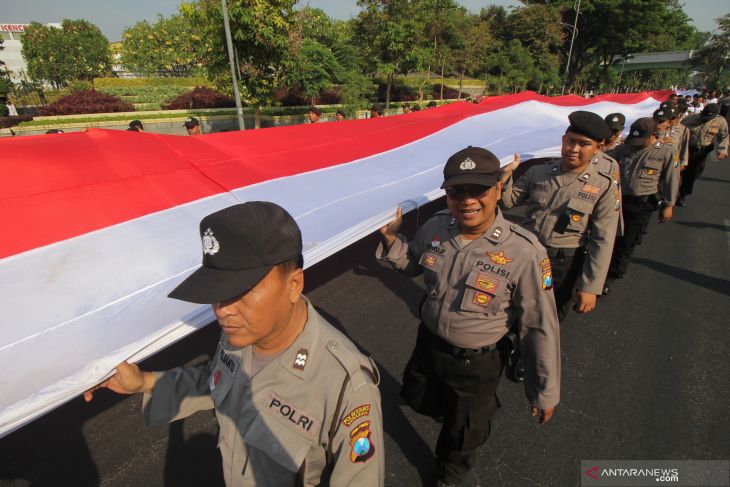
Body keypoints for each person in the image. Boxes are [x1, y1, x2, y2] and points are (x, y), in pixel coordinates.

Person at [84, 202, 384, 486]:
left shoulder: (347, 386)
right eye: (218, 292)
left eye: (241, 290)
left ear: (293, 285)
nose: (222, 309)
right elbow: (215, 380)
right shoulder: (240, 334)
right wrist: (145, 382)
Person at [377, 147, 560, 487]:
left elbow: (540, 326)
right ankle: (450, 412)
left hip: (475, 366)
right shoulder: (435, 228)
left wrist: (544, 389)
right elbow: (413, 265)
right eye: (457, 191)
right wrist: (391, 239)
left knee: (462, 436)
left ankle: (448, 475)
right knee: (418, 398)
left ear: (498, 190)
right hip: (429, 348)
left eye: (478, 190)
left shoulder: (524, 251)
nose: (467, 200)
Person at [500, 111, 620, 321]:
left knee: (548, 318)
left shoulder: (603, 186)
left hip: (561, 264)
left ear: (598, 148)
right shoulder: (539, 172)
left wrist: (590, 286)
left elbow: (602, 239)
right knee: (512, 309)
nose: (573, 149)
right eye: (570, 141)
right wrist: (506, 176)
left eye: (583, 144)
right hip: (525, 255)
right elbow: (508, 202)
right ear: (563, 140)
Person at [603, 118, 678, 292]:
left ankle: (612, 276)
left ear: (653, 136)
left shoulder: (666, 152)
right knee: (608, 238)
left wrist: (668, 204)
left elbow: (671, 180)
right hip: (618, 201)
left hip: (642, 205)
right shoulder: (625, 148)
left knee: (627, 241)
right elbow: (604, 158)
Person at [677, 103, 729, 206]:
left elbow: (724, 136)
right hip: (686, 149)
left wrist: (722, 150)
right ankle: (671, 192)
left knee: (693, 173)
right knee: (678, 171)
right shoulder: (690, 118)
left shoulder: (720, 121)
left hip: (702, 152)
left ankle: (682, 195)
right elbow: (678, 131)